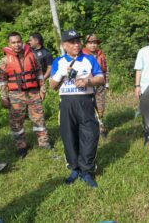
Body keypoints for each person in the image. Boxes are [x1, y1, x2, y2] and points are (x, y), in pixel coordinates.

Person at [49, 29, 104, 188]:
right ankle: (75, 168)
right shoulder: (58, 61)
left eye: (78, 41)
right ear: (64, 45)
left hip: (86, 102)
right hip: (66, 104)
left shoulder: (89, 59)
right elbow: (52, 85)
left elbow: (101, 78)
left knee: (90, 135)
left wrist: (88, 82)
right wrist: (61, 73)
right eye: (72, 42)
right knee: (69, 136)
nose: (76, 44)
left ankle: (87, 170)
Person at [0, 32, 50, 158]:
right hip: (15, 95)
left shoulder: (32, 56)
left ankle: (44, 144)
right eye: (13, 42)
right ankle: (21, 147)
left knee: (39, 119)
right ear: (9, 44)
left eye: (18, 42)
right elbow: (1, 81)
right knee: (16, 123)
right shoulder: (4, 61)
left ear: (22, 42)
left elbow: (39, 74)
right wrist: (4, 97)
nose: (17, 45)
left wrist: (42, 89)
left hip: (33, 93)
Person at [82, 34, 109, 138]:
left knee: (100, 107)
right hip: (87, 86)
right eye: (90, 43)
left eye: (95, 43)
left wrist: (107, 83)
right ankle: (90, 129)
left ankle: (101, 127)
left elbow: (106, 69)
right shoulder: (81, 55)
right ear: (86, 44)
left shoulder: (100, 54)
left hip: (100, 86)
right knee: (88, 108)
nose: (93, 45)